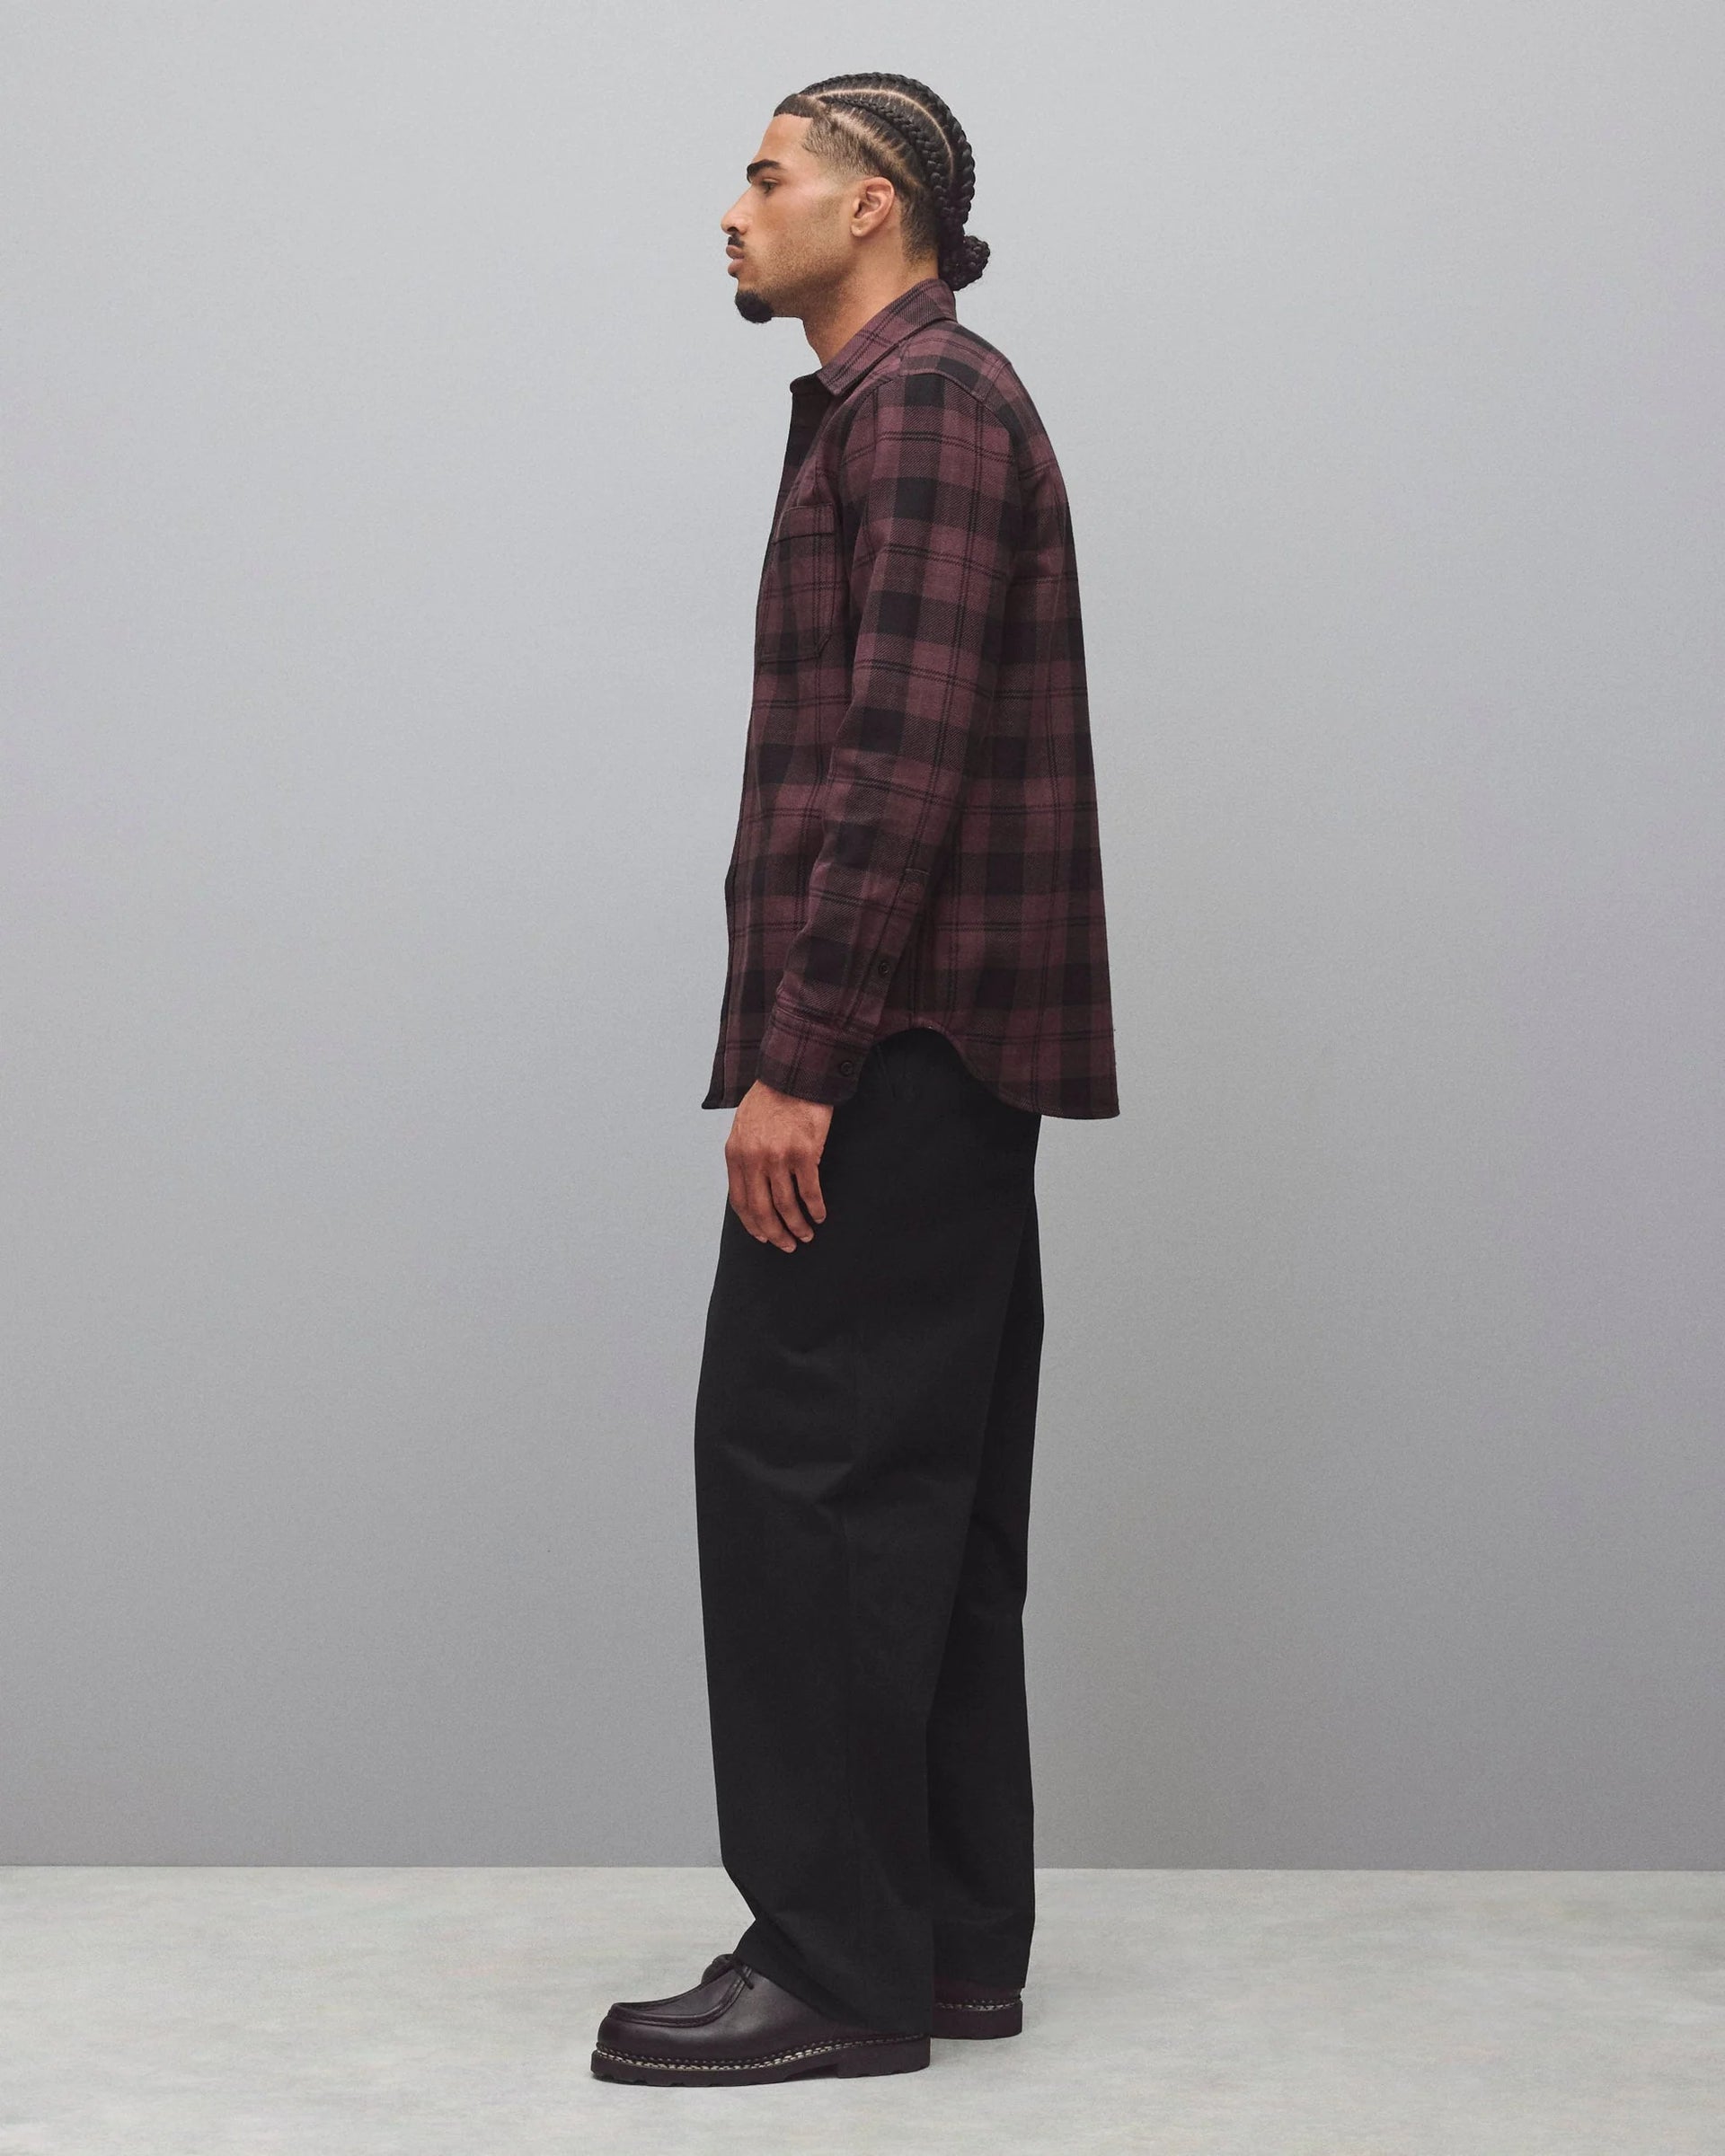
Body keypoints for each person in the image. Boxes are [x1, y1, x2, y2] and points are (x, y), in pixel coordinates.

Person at [591, 70, 1119, 2089]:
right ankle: (949, 1943)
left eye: (767, 175)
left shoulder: (923, 410)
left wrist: (796, 1062)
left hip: (893, 1046)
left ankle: (831, 1964)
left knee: (804, 1484)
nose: (733, 212)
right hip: (943, 1044)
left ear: (873, 204)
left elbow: (896, 770)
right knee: (924, 1497)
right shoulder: (913, 409)